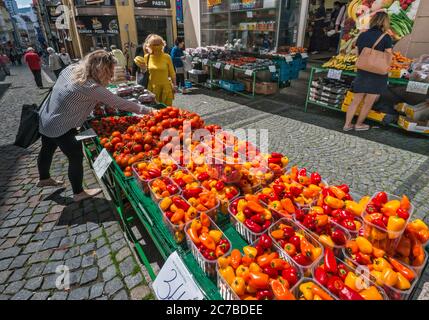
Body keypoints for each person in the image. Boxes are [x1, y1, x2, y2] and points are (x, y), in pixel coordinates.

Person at [37, 50, 152, 202]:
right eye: (110, 71)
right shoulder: (90, 87)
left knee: (47, 148)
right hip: (62, 125)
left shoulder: (71, 69)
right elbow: (119, 103)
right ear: (102, 70)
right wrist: (148, 110)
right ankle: (78, 193)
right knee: (76, 155)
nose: (111, 75)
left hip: (46, 116)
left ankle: (44, 178)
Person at [343, 12, 393, 132]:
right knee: (368, 102)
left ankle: (347, 124)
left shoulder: (362, 35)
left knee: (356, 100)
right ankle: (359, 125)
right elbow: (389, 55)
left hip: (363, 70)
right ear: (385, 22)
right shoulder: (386, 38)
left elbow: (358, 53)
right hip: (378, 73)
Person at [136, 34, 176, 106]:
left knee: (167, 110)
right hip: (152, 88)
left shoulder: (167, 57)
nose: (157, 46)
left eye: (159, 44)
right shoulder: (146, 57)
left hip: (166, 88)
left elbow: (172, 73)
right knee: (153, 109)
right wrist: (142, 68)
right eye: (154, 44)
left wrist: (174, 85)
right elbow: (145, 72)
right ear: (149, 45)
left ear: (162, 44)